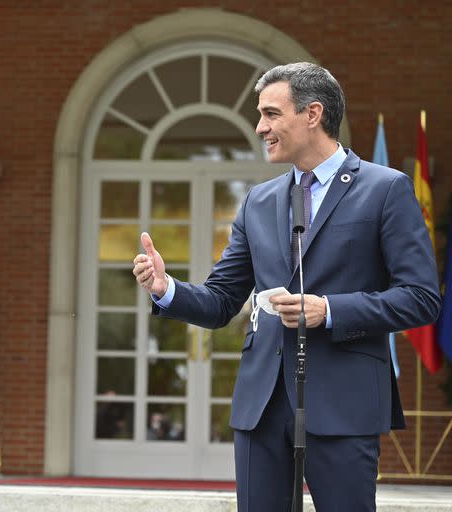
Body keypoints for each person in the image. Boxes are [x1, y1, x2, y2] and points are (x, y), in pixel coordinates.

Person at [132, 62, 440, 511]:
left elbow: (421, 298)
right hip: (262, 406)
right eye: (261, 115)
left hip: (344, 404)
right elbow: (221, 301)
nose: (260, 127)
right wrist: (167, 289)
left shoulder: (386, 189)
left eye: (271, 114)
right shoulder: (259, 200)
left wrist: (328, 310)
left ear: (313, 114)